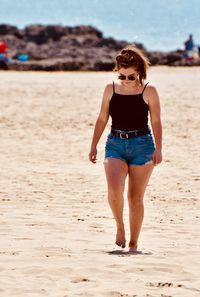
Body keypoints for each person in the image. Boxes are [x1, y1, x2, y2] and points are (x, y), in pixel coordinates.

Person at [89, 44, 162, 252]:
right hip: (115, 144)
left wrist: (159, 148)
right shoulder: (110, 89)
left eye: (131, 77)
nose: (127, 81)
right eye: (122, 77)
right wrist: (93, 145)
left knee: (135, 198)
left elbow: (156, 121)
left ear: (139, 71)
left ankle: (133, 242)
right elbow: (102, 118)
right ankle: (120, 227)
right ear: (117, 72)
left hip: (143, 146)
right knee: (114, 190)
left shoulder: (150, 91)